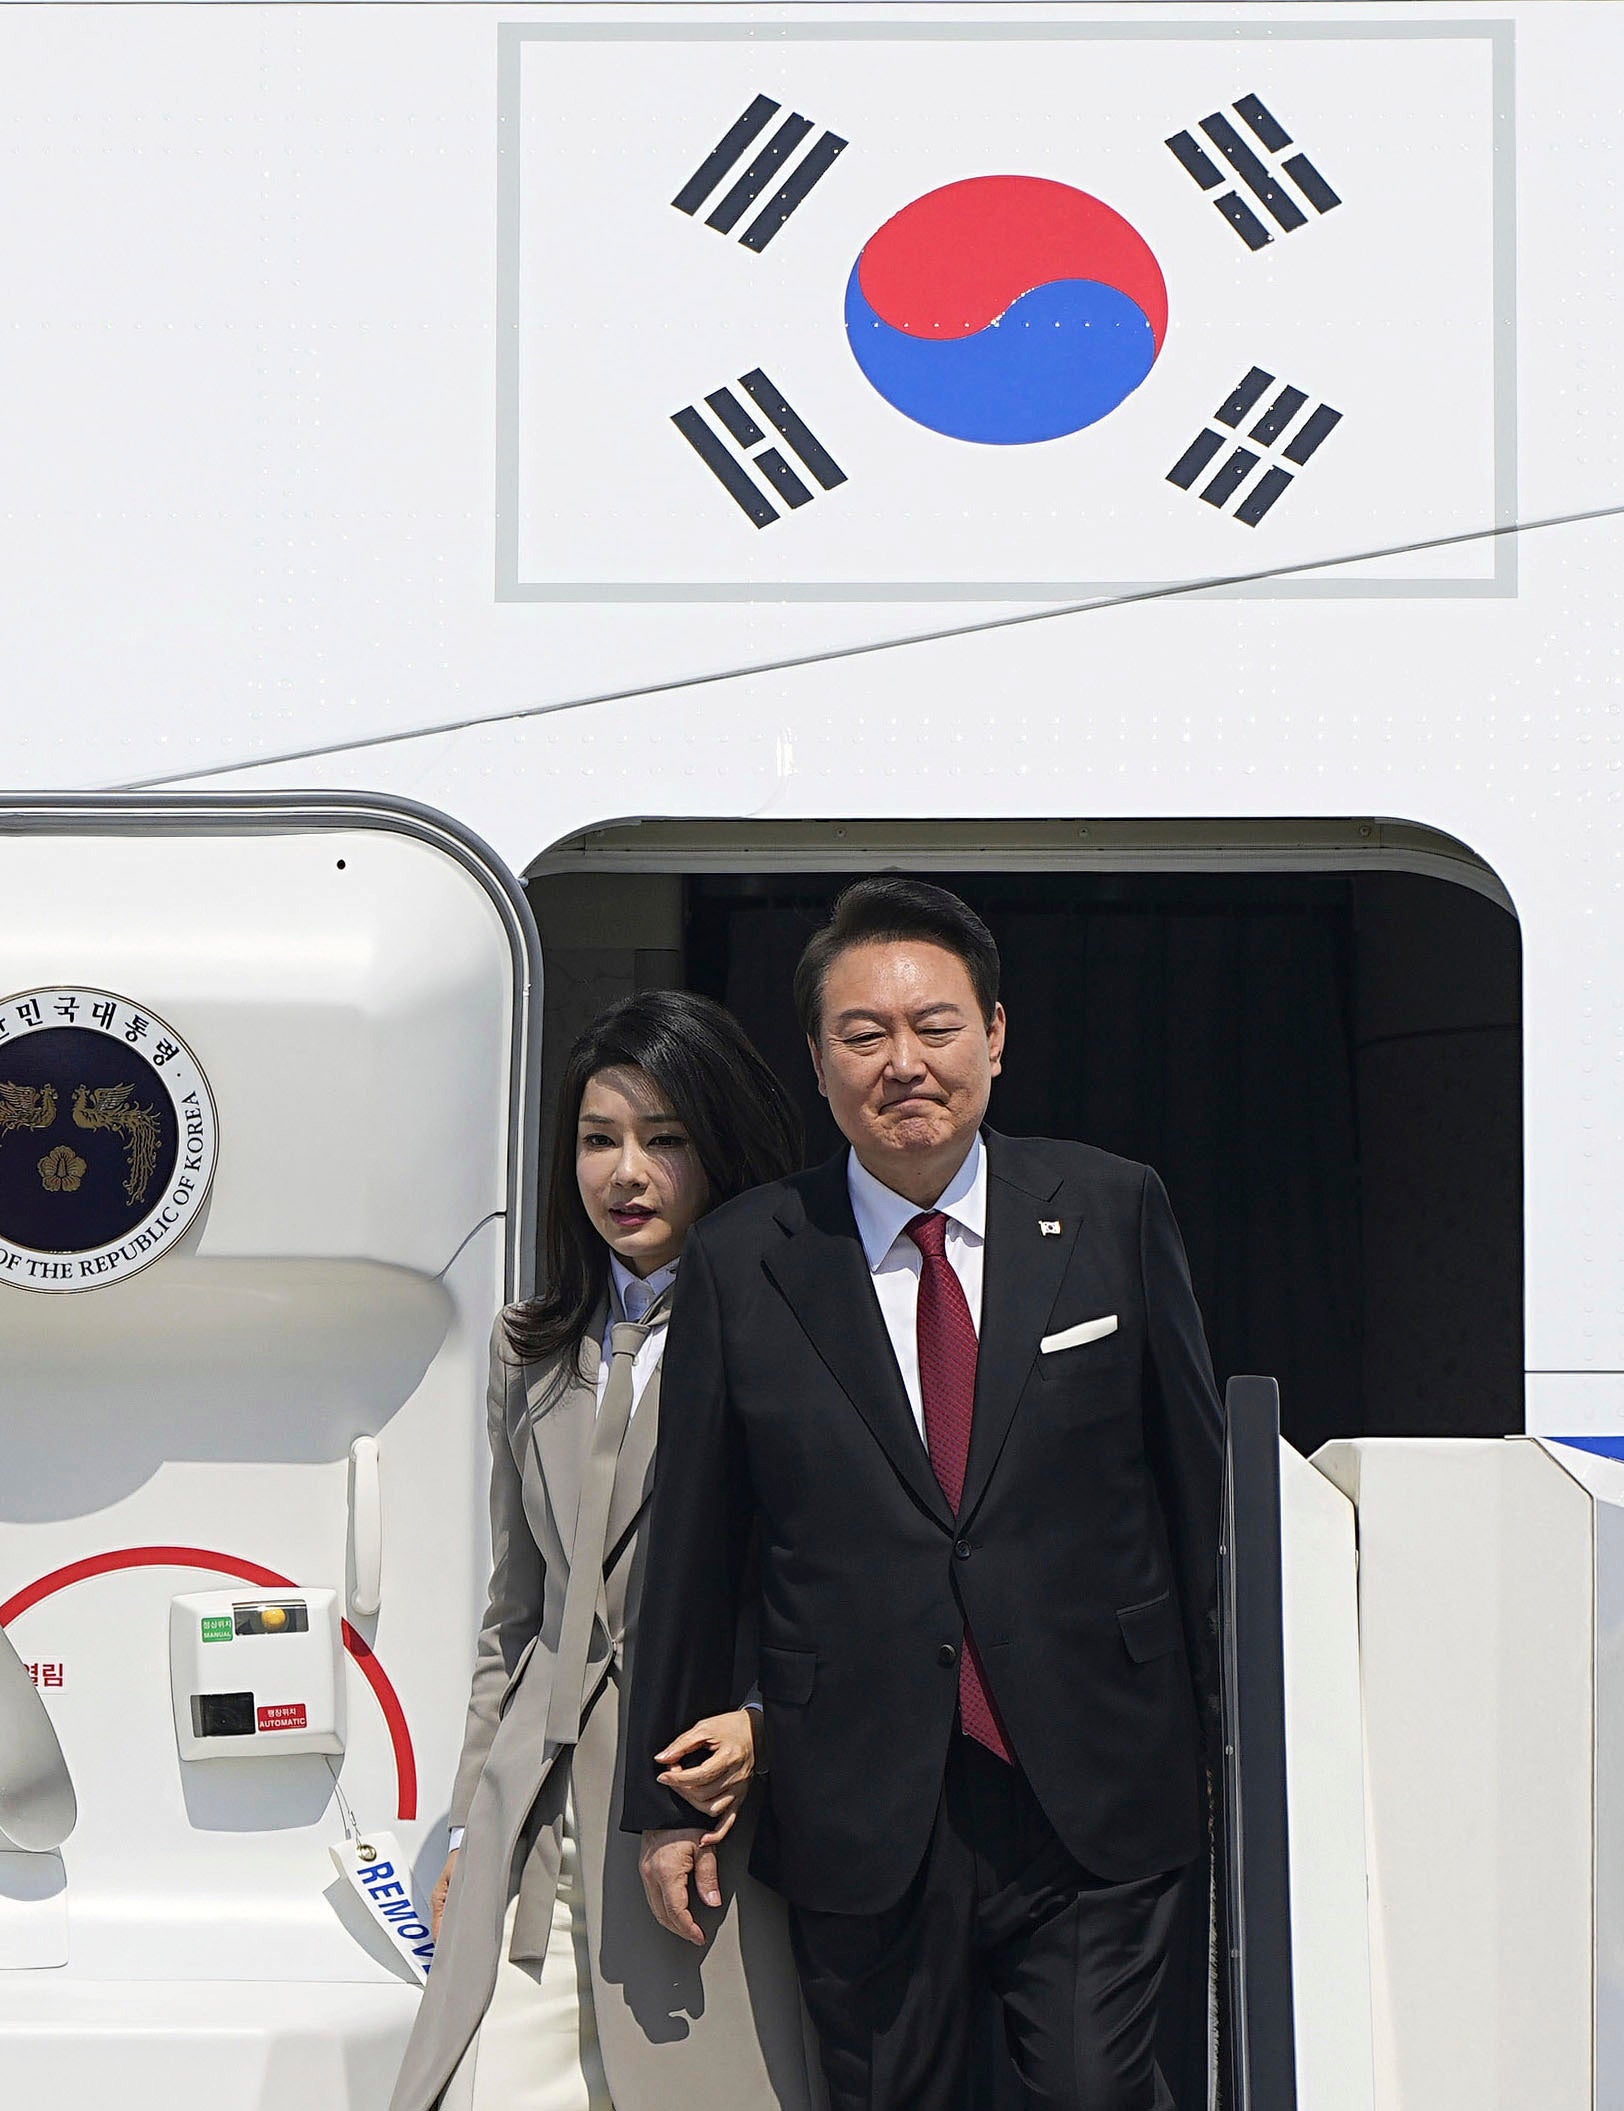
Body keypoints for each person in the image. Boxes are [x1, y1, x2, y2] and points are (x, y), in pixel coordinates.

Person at [622, 880, 1224, 2111]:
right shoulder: (748, 1255)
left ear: (995, 1035)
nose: (904, 1062)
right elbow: (694, 1538)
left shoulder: (1111, 1209)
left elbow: (1196, 1494)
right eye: (864, 1034)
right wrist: (660, 1805)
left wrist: (1239, 1743)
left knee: (1099, 2090)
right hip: (858, 1790)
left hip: (1096, 1781)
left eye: (935, 1026)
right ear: (817, 1057)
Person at [390, 991, 825, 2111]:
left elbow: (835, 1584)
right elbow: (514, 1613)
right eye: (598, 1139)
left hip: (696, 1810)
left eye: (663, 1138)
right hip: (530, 1813)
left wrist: (768, 1726)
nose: (624, 1172)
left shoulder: (796, 1330)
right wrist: (466, 1816)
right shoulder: (527, 1345)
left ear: (719, 1149)